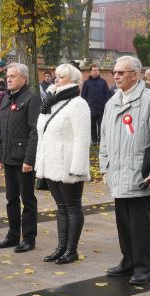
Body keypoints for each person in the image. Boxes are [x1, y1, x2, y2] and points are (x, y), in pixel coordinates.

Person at [99, 56, 150, 285]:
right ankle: (128, 261)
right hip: (117, 173)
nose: (116, 76)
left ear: (135, 75)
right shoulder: (112, 102)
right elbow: (104, 138)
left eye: (121, 72)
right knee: (123, 222)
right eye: (114, 72)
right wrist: (104, 167)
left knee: (139, 224)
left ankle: (143, 267)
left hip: (139, 173)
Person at [35, 63, 91, 264]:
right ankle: (61, 247)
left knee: (72, 207)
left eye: (62, 76)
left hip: (68, 163)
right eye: (56, 75)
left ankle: (71, 250)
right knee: (61, 207)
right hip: (51, 163)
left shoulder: (78, 104)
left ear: (74, 81)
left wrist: (78, 167)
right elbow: (42, 130)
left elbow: (82, 138)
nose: (56, 78)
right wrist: (47, 103)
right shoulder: (52, 101)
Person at [0, 63, 41, 253]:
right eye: (8, 76)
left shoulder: (31, 99)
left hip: (23, 160)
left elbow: (34, 131)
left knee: (27, 199)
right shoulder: (6, 97)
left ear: (24, 78)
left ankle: (28, 238)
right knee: (11, 198)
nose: (9, 79)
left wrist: (29, 159)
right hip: (8, 157)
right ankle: (13, 235)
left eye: (13, 76)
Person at [81, 63, 110, 145]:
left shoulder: (103, 82)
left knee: (101, 125)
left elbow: (107, 93)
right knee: (92, 125)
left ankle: (100, 140)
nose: (96, 72)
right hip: (90, 108)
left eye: (97, 70)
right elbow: (83, 95)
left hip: (101, 108)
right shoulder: (86, 83)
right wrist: (85, 106)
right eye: (94, 70)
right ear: (90, 71)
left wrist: (105, 104)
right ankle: (94, 140)